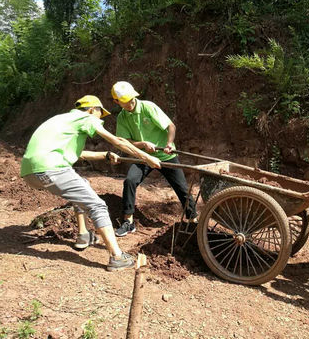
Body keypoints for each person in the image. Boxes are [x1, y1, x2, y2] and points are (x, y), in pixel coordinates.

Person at [20, 95, 162, 271]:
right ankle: (117, 257)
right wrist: (146, 157)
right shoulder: (86, 117)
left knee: (83, 185)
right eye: (99, 114)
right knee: (98, 206)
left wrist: (105, 155)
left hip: (30, 172)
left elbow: (76, 154)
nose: (99, 119)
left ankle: (83, 235)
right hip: (52, 168)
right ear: (92, 109)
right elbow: (118, 141)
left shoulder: (62, 120)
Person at [110, 81, 197, 237]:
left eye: (131, 100)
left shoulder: (148, 107)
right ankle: (128, 222)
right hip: (143, 157)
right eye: (124, 102)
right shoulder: (122, 118)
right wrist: (142, 144)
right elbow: (124, 142)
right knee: (130, 181)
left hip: (165, 155)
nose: (129, 104)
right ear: (116, 102)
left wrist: (169, 144)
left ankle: (194, 222)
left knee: (183, 190)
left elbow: (171, 126)